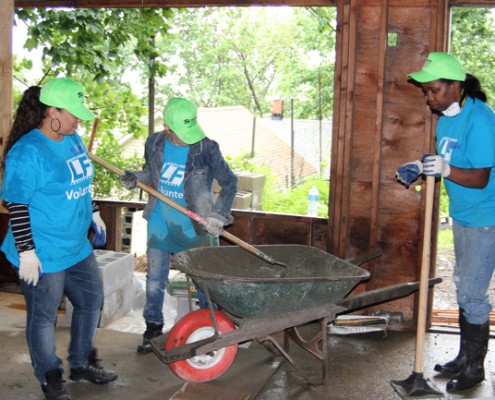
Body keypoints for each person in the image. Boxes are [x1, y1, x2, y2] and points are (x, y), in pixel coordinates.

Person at [1, 78, 118, 400]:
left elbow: (81, 180)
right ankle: (50, 376)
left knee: (91, 300)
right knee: (43, 316)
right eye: (73, 114)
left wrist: (92, 212)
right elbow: (17, 205)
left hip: (75, 246)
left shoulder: (72, 138)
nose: (79, 120)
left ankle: (81, 363)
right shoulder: (27, 153)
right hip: (42, 251)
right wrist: (26, 252)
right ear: (52, 111)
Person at [396, 52, 495, 392]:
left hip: (486, 216)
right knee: (465, 288)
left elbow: (480, 177)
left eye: (434, 90)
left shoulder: (481, 120)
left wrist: (447, 170)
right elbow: (445, 159)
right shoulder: (446, 118)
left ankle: (475, 369)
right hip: (465, 214)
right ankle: (464, 356)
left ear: (456, 86)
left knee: (471, 293)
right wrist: (419, 166)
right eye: (426, 91)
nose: (429, 97)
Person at [120, 97, 238, 354]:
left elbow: (230, 182)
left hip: (197, 226)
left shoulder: (206, 148)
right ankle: (152, 328)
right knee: (154, 281)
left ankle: (214, 328)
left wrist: (219, 215)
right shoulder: (154, 143)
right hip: (161, 222)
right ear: (167, 129)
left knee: (205, 283)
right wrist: (135, 179)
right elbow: (151, 175)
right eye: (182, 133)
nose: (189, 138)